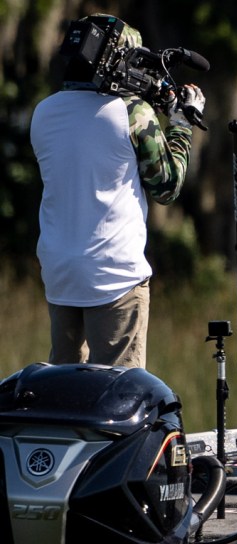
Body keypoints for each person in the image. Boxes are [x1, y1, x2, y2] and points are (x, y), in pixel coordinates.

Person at [30, 14, 205, 369]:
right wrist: (181, 124)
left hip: (60, 274)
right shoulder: (133, 112)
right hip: (116, 276)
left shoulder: (43, 112)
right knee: (118, 390)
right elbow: (167, 186)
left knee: (63, 386)